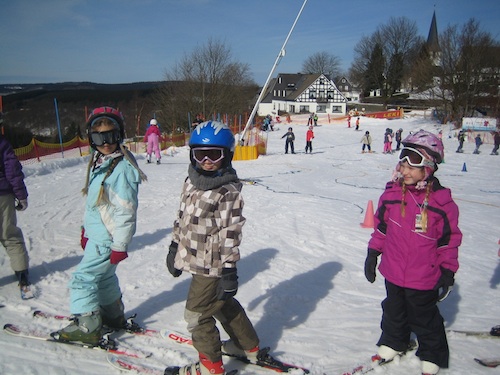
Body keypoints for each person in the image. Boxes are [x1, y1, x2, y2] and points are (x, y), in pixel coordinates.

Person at [165, 121, 280, 375]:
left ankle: (210, 368)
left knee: (196, 315)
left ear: (227, 155)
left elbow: (230, 232)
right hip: (192, 257)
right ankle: (246, 346)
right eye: (200, 154)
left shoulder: (227, 191)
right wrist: (175, 245)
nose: (206, 161)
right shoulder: (191, 181)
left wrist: (229, 268)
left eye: (214, 154)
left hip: (212, 264)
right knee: (222, 304)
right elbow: (182, 216)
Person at [364, 129, 462, 375]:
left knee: (424, 317)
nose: (405, 170)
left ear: (428, 168)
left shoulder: (442, 204)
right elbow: (382, 228)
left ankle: (432, 353)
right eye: (403, 162)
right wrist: (373, 252)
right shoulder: (392, 195)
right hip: (393, 269)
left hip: (423, 274)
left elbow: (448, 241)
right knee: (393, 309)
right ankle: (393, 341)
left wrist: (447, 271)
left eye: (413, 165)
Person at [55, 106, 147, 345]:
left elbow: (126, 211)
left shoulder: (121, 168)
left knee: (82, 279)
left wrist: (120, 245)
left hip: (106, 239)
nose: (106, 143)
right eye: (99, 137)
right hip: (99, 236)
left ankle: (88, 326)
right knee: (104, 278)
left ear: (120, 135)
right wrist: (86, 231)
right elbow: (96, 206)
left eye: (111, 136)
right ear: (91, 139)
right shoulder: (102, 162)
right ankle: (113, 316)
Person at [0, 134, 32, 298]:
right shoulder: (2, 143)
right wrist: (21, 195)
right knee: (9, 234)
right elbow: (12, 169)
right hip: (2, 196)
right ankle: (22, 273)